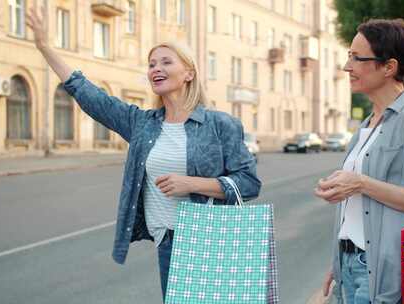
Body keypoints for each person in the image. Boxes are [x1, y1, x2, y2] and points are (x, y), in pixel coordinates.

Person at [26, 1, 261, 301]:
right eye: (151, 64)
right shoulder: (142, 124)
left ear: (189, 73)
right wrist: (45, 46)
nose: (156, 69)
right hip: (167, 241)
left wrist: (192, 184)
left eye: (166, 62)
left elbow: (250, 183)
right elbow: (89, 95)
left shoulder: (219, 124)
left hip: (209, 240)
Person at [314, 19, 404, 303]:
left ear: (389, 67)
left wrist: (361, 183)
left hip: (382, 270)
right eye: (348, 56)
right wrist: (338, 262)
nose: (346, 67)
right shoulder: (368, 123)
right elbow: (356, 210)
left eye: (357, 58)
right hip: (349, 266)